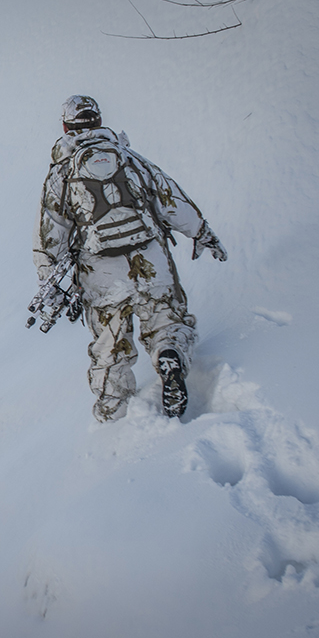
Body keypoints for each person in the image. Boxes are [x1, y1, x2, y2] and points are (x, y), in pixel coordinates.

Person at [33, 95, 227, 422]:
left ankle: (114, 417)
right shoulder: (129, 158)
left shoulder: (61, 174)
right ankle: (169, 353)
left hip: (100, 273)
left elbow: (50, 233)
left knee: (110, 350)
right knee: (166, 319)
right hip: (150, 259)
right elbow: (168, 197)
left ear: (66, 127)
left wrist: (47, 276)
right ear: (97, 121)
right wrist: (200, 231)